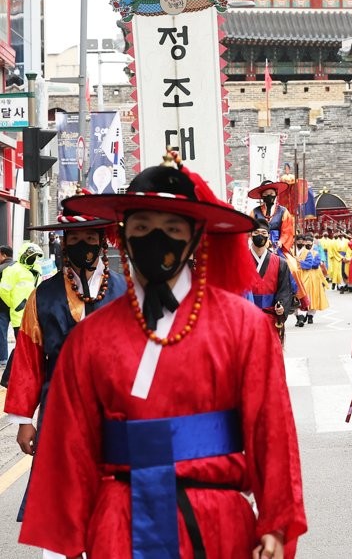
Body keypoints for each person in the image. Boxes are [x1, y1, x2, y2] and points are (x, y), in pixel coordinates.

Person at [19, 154, 305, 558]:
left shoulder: (243, 327)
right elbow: (70, 445)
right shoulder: (91, 339)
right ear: (122, 234)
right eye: (142, 227)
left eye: (171, 228)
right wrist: (70, 540)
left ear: (194, 236)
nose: (156, 238)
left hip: (217, 522)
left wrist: (275, 524)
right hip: (120, 524)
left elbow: (271, 431)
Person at [4, 204, 128, 533]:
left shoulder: (127, 292)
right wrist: (22, 421)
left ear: (103, 243)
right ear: (63, 242)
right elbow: (29, 359)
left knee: (115, 500)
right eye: (75, 238)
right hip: (60, 410)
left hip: (116, 412)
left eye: (90, 237)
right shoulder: (43, 295)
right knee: (62, 504)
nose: (83, 245)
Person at [0, 242, 44, 388]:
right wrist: (16, 305)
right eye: (31, 255)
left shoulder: (36, 270)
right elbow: (3, 291)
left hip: (35, 314)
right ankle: (7, 377)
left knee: (31, 346)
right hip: (19, 316)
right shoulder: (12, 270)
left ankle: (20, 376)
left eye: (35, 256)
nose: (33, 258)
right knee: (22, 346)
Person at [246, 218, 295, 343]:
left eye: (263, 233)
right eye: (256, 233)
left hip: (272, 316)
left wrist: (282, 306)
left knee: (271, 356)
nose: (260, 236)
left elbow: (285, 289)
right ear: (251, 235)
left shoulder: (280, 263)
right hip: (247, 317)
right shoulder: (241, 260)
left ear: (268, 235)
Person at [249, 180, 295, 255]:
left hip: (277, 246)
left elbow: (287, 231)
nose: (269, 196)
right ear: (262, 196)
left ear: (276, 194)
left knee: (289, 265)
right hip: (259, 244)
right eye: (266, 194)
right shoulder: (254, 212)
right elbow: (249, 231)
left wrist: (281, 241)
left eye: (271, 193)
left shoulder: (283, 211)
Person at [294, 233, 328, 327]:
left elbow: (315, 264)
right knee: (298, 296)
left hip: (313, 277)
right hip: (301, 276)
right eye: (306, 243)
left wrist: (300, 262)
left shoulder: (314, 252)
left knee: (311, 296)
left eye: (309, 243)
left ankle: (309, 316)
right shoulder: (294, 251)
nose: (307, 245)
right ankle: (301, 316)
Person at [0, 245, 14, 369]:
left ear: (4, 255)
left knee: (1, 332)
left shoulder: (1, 268)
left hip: (2, 306)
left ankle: (3, 359)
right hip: (17, 306)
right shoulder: (18, 267)